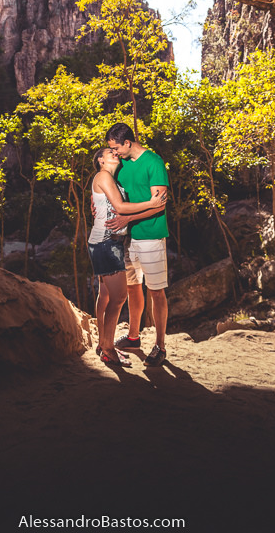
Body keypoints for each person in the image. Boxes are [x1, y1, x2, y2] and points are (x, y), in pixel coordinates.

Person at [88, 146, 166, 366]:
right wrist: (152, 204)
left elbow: (104, 205)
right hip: (106, 243)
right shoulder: (104, 175)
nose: (114, 152)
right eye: (108, 152)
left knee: (105, 295)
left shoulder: (111, 179)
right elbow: (121, 207)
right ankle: (108, 348)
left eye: (115, 149)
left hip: (106, 241)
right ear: (100, 160)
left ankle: (103, 344)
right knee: (119, 297)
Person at [104, 122, 171, 367]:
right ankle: (133, 337)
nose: (114, 153)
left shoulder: (153, 162)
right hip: (126, 238)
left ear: (128, 143)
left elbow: (160, 203)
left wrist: (127, 217)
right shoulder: (120, 166)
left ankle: (160, 345)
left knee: (156, 291)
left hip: (151, 235)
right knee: (133, 287)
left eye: (116, 148)